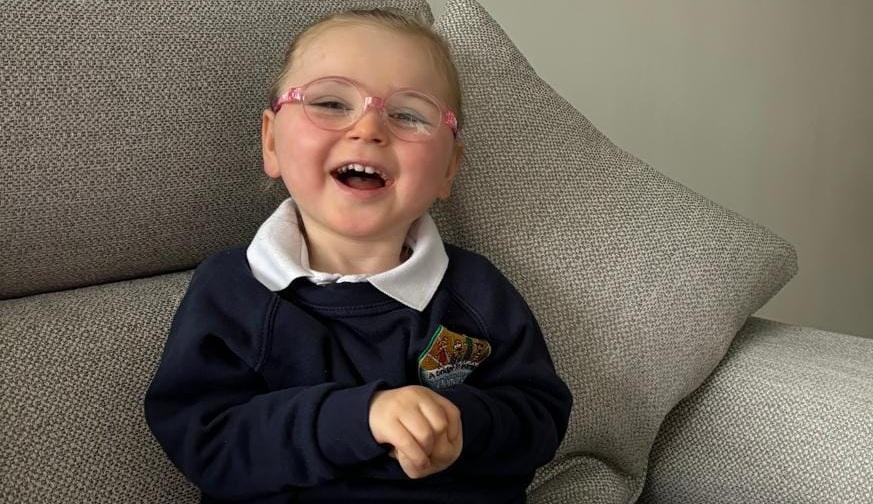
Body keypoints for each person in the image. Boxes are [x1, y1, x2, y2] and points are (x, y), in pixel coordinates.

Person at [144, 8, 573, 504]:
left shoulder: (475, 291)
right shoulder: (233, 288)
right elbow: (204, 438)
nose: (369, 128)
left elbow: (541, 416)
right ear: (271, 142)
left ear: (448, 171)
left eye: (409, 115)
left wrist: (463, 423)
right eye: (329, 103)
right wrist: (357, 418)